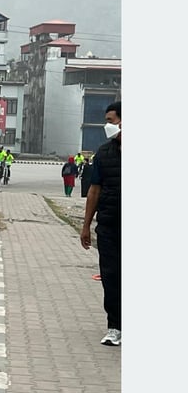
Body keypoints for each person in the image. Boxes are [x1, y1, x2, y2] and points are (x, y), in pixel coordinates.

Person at [80, 101, 121, 347]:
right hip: (108, 224)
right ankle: (115, 326)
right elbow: (94, 190)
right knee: (111, 276)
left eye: (110, 120)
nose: (107, 125)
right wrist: (86, 225)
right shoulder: (103, 153)